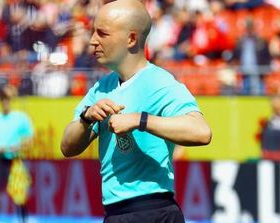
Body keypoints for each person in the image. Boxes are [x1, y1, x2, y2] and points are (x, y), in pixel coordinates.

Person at [60, 1, 212, 222]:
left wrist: (141, 121)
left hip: (154, 211)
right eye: (93, 32)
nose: (93, 41)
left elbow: (201, 132)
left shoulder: (159, 82)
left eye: (102, 34)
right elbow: (67, 147)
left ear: (131, 39)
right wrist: (85, 119)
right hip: (115, 214)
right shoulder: (101, 89)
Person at [0, 85, 34, 223]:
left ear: (10, 100)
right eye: (2, 99)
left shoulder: (20, 118)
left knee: (20, 194)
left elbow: (30, 140)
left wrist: (17, 146)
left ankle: (23, 220)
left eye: (7, 99)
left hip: (15, 160)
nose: (5, 102)